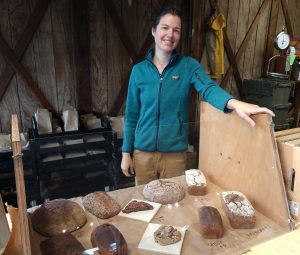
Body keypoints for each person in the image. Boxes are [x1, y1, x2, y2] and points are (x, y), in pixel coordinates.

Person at [121, 6, 274, 185]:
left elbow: (208, 88)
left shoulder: (188, 66)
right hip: (142, 154)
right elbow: (131, 115)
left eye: (176, 30)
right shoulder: (138, 71)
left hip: (174, 156)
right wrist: (126, 153)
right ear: (154, 31)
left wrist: (234, 103)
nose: (170, 34)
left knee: (174, 207)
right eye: (165, 28)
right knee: (146, 204)